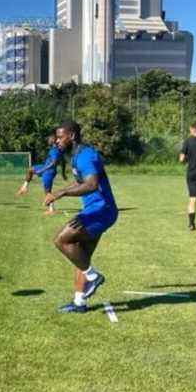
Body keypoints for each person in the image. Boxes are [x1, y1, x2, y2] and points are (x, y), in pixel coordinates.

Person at [44, 120, 118, 314]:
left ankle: (94, 277)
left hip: (101, 210)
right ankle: (79, 302)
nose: (57, 141)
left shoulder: (86, 156)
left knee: (61, 240)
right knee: (81, 255)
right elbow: (81, 183)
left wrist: (61, 193)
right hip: (96, 210)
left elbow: (92, 184)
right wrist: (61, 191)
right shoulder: (76, 155)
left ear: (72, 136)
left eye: (61, 137)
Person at [17, 134, 67, 215]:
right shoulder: (57, 149)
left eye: (49, 139)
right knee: (30, 170)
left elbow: (54, 162)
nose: (48, 140)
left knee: (47, 192)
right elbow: (63, 161)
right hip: (45, 167)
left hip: (48, 172)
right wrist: (63, 173)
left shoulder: (54, 150)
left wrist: (42, 170)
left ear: (53, 141)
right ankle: (24, 187)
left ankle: (52, 210)